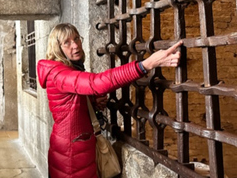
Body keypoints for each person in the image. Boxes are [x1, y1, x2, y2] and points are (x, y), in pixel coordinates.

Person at [38, 23, 183, 178]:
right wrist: (147, 64)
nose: (75, 45)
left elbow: (68, 103)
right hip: (71, 152)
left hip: (74, 146)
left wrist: (92, 103)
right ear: (57, 47)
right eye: (66, 42)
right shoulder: (58, 74)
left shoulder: (68, 69)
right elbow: (96, 83)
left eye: (76, 38)